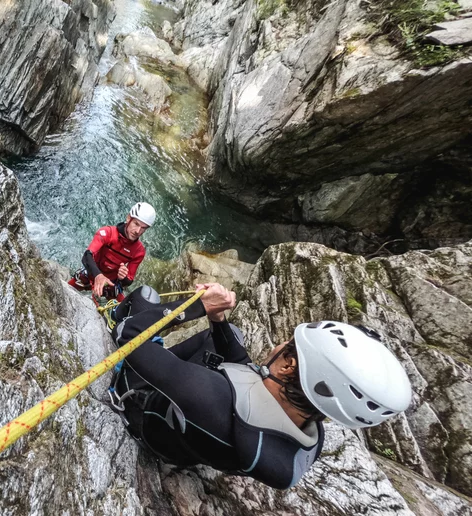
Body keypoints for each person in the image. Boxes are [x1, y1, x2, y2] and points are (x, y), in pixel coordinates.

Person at [107, 283, 412, 489]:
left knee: (145, 297)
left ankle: (112, 312)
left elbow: (129, 336)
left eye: (290, 343)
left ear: (289, 365)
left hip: (144, 411)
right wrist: (218, 318)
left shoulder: (208, 396)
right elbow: (246, 370)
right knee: (230, 335)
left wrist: (198, 306)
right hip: (192, 437)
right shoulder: (307, 435)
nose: (281, 342)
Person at [69, 202, 156, 301]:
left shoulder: (139, 251)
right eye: (136, 224)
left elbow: (129, 280)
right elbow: (87, 256)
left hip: (111, 284)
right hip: (90, 274)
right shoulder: (107, 233)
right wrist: (98, 276)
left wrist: (123, 277)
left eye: (143, 228)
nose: (137, 231)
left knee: (124, 311)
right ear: (128, 218)